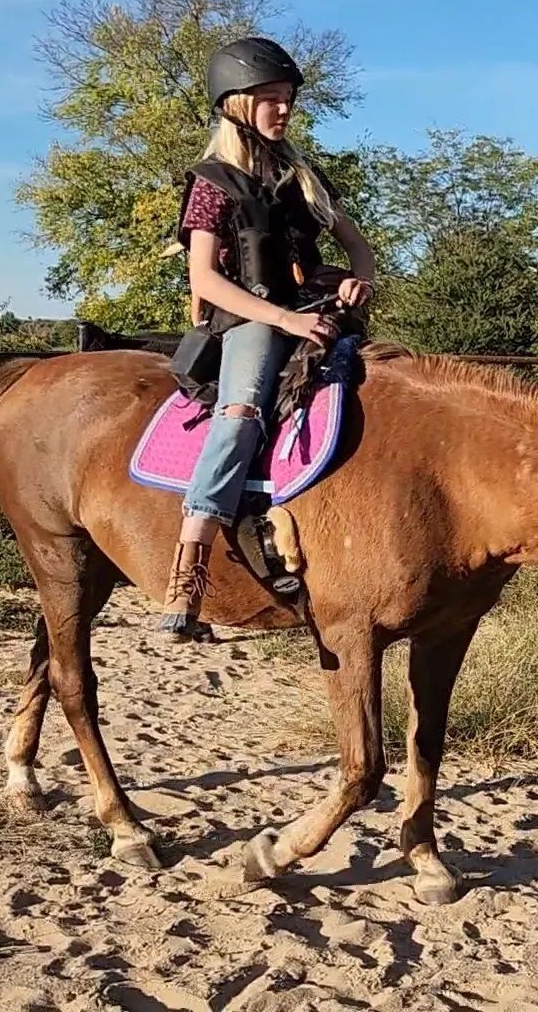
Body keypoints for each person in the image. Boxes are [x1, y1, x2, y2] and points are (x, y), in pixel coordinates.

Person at [160, 36, 375, 641]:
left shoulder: (302, 175)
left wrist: (360, 282)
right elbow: (203, 278)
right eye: (270, 100)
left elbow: (357, 245)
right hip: (250, 318)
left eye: (287, 100)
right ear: (234, 104)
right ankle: (189, 567)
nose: (283, 111)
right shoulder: (212, 182)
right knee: (242, 408)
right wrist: (283, 321)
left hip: (313, 307)